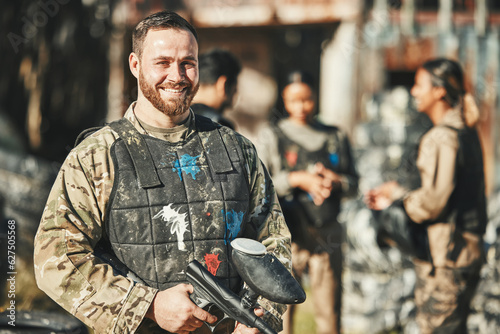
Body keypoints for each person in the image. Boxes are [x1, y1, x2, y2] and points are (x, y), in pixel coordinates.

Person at [33, 11, 291, 334]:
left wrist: (259, 317)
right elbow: (55, 257)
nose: (177, 75)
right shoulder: (97, 156)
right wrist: (149, 306)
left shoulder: (238, 151)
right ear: (135, 65)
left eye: (188, 62)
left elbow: (274, 240)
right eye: (163, 62)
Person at [365, 58, 487, 334]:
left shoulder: (441, 138)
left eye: (419, 86)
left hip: (446, 258)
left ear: (439, 91)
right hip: (467, 252)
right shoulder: (466, 130)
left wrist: (396, 201)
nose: (413, 92)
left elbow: (431, 204)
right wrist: (399, 192)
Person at [256, 71, 358, 334]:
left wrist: (335, 182)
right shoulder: (272, 136)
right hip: (287, 235)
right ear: (284, 100)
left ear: (316, 97)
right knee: (282, 311)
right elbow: (260, 185)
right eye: (293, 100)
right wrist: (296, 179)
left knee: (329, 308)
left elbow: (354, 185)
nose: (301, 107)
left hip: (327, 233)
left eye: (307, 100)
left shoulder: (335, 136)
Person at [190, 48, 241, 130]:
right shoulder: (220, 127)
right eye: (234, 89)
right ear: (222, 85)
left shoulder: (174, 121)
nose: (236, 93)